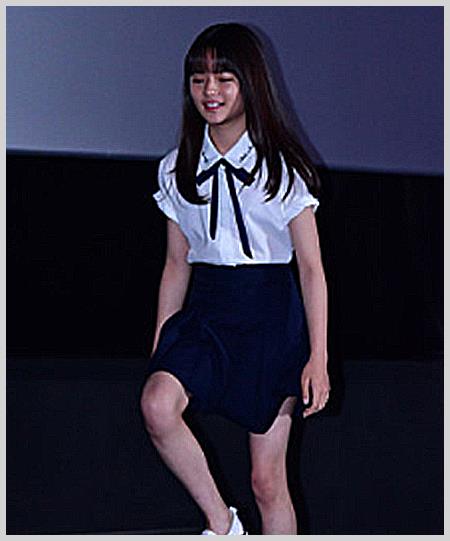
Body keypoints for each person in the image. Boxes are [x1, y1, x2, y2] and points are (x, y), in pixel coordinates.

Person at [140, 22, 330, 535]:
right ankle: (222, 524)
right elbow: (176, 263)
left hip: (270, 314)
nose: (211, 91)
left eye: (224, 78)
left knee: (267, 481)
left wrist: (318, 356)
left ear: (250, 84)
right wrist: (162, 340)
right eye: (199, 79)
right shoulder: (175, 169)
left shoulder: (284, 169)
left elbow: (311, 269)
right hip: (208, 310)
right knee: (157, 404)